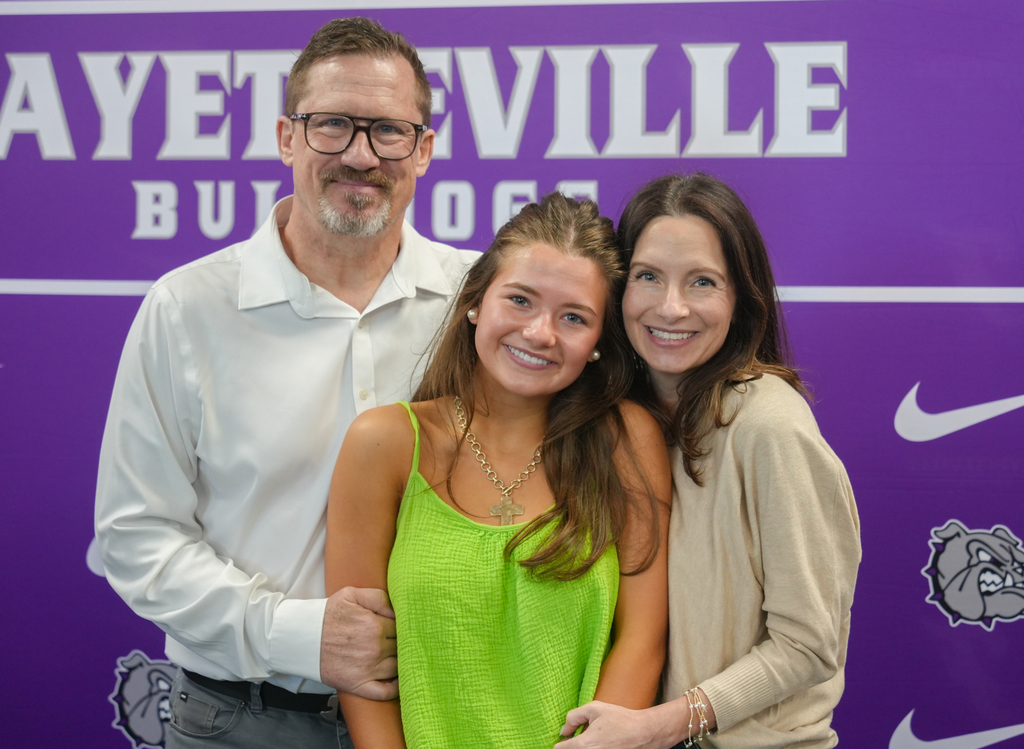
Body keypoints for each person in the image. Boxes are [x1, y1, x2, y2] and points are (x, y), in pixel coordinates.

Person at [94, 17, 478, 748]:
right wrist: (296, 633)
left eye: (389, 131)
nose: (361, 156)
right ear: (286, 137)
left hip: (443, 713)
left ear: (424, 149)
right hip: (242, 719)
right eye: (332, 124)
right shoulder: (187, 308)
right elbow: (137, 534)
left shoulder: (480, 303)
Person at [324, 193, 672, 749]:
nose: (540, 333)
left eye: (574, 317)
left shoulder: (625, 441)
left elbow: (642, 639)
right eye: (520, 300)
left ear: (598, 346)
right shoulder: (384, 442)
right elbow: (361, 658)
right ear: (475, 303)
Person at [559, 173, 861, 749]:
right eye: (648, 277)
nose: (671, 308)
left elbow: (808, 644)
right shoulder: (614, 423)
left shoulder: (770, 425)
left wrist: (662, 724)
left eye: (702, 282)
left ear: (741, 299)